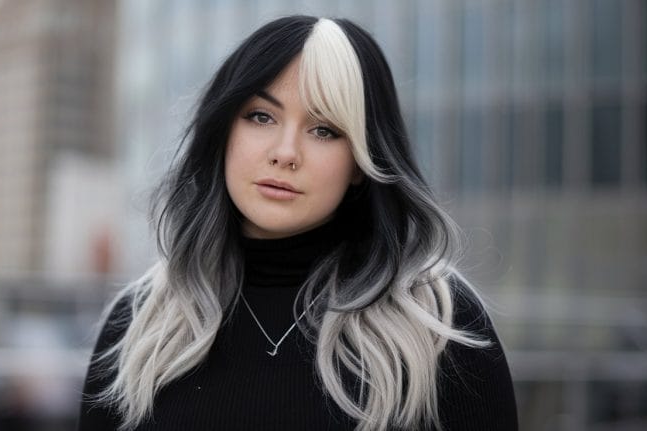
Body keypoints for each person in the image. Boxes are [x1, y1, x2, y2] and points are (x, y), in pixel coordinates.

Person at [78, 15, 517, 431]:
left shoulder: (438, 322)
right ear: (224, 132)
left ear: (362, 161)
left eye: (324, 129)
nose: (285, 152)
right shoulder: (142, 321)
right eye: (261, 117)